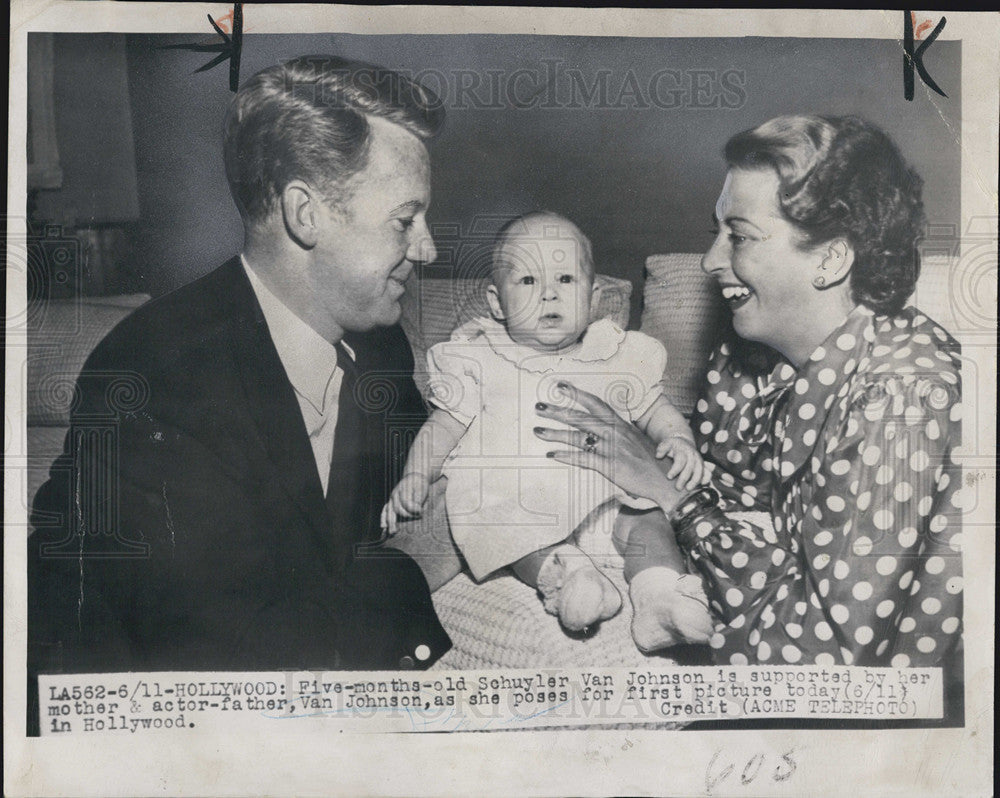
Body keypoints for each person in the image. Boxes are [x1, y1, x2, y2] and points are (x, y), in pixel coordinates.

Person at [27, 56, 453, 723]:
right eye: (405, 220)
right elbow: (239, 663)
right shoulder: (151, 375)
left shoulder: (379, 345)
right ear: (305, 214)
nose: (427, 249)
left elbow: (415, 498)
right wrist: (421, 565)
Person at [534, 116, 963, 674]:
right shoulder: (749, 359)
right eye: (717, 233)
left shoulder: (904, 395)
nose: (712, 262)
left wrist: (669, 493)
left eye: (738, 236)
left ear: (831, 259)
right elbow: (731, 518)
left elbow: (830, 660)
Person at [381, 211, 714, 649]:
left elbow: (658, 409)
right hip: (517, 498)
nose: (549, 295)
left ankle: (658, 599)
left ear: (593, 297)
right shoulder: (478, 357)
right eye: (528, 282)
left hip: (606, 494)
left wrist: (678, 440)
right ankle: (571, 578)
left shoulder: (615, 352)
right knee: (506, 534)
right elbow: (442, 426)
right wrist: (416, 476)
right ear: (497, 302)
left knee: (648, 522)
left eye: (565, 280)